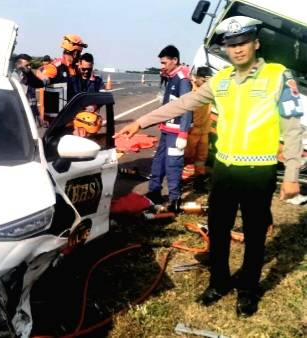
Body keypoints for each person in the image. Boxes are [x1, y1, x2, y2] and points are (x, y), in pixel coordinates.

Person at [115, 16, 304, 317]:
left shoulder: (278, 77)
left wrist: (292, 175)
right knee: (218, 230)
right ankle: (218, 282)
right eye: (231, 45)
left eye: (243, 43)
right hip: (226, 171)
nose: (238, 50)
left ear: (255, 44)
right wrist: (140, 121)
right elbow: (183, 103)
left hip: (260, 172)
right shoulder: (222, 80)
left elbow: (294, 130)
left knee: (255, 235)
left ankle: (248, 290)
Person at [146, 45, 192, 212]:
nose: (162, 66)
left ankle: (174, 199)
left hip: (176, 132)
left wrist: (183, 133)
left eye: (165, 63)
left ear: (175, 61)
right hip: (166, 130)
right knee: (158, 162)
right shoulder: (171, 77)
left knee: (173, 165)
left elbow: (187, 106)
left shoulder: (182, 80)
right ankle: (154, 192)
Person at [183, 66, 213, 182]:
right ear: (197, 78)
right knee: (186, 156)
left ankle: (199, 180)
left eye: (208, 81)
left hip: (204, 132)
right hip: (192, 132)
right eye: (204, 80)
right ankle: (179, 182)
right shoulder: (190, 91)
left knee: (201, 158)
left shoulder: (209, 92)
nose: (206, 83)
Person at [39, 34, 87, 100]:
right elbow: (40, 73)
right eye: (79, 53)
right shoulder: (54, 68)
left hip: (73, 107)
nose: (79, 56)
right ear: (75, 53)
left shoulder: (76, 68)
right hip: (56, 108)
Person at [12, 54, 47, 124]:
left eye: (30, 65)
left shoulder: (29, 77)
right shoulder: (13, 79)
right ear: (18, 65)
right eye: (27, 65)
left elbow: (33, 99)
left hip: (31, 115)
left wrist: (38, 115)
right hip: (20, 116)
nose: (29, 67)